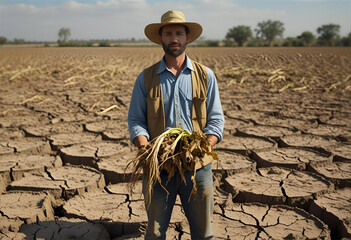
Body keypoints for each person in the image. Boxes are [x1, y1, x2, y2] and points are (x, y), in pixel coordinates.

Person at [128, 10, 224, 240]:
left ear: (187, 38)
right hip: (159, 169)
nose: (174, 39)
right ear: (160, 38)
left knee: (203, 233)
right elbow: (136, 121)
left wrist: (203, 148)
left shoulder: (206, 76)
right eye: (168, 33)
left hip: (198, 167)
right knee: (155, 232)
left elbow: (217, 120)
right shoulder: (146, 78)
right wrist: (146, 148)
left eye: (179, 33)